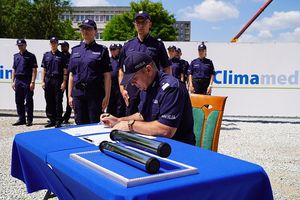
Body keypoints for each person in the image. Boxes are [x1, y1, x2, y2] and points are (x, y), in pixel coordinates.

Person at [101, 52, 195, 145]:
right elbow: (143, 115)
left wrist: (130, 125)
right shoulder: (146, 86)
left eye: (134, 79)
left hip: (177, 148)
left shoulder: (171, 88)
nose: (132, 84)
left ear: (148, 70)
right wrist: (118, 120)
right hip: (154, 144)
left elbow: (166, 130)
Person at [118, 11, 171, 116]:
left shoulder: (158, 45)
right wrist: (122, 89)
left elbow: (167, 68)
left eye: (144, 22)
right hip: (132, 91)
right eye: (138, 23)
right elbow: (121, 69)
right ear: (134, 24)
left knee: (150, 119)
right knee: (130, 121)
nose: (141, 25)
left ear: (150, 24)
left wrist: (164, 88)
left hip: (151, 90)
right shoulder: (127, 45)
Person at [68, 19, 111, 125]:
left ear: (95, 31)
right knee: (79, 125)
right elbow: (71, 75)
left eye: (88, 28)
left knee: (95, 124)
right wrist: (69, 95)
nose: (85, 31)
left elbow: (107, 75)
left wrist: (107, 96)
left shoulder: (102, 50)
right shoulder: (75, 50)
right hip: (78, 94)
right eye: (83, 29)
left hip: (95, 94)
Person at [41, 37, 68, 128]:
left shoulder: (62, 56)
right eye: (52, 42)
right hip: (48, 80)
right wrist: (42, 81)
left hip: (58, 80)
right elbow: (44, 69)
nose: (53, 44)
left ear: (57, 44)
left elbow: (65, 70)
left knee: (58, 101)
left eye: (55, 42)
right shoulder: (46, 55)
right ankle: (51, 119)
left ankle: (58, 120)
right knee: (49, 100)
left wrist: (64, 82)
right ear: (50, 44)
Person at [11, 39, 37, 126]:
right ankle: (21, 119)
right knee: (18, 100)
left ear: (25, 45)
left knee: (29, 100)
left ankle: (29, 119)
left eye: (21, 45)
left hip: (27, 80)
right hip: (18, 80)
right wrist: (13, 81)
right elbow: (14, 69)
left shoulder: (31, 56)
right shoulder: (16, 56)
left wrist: (32, 82)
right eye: (18, 45)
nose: (20, 47)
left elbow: (34, 70)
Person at [107, 43, 126, 117]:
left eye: (114, 49)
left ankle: (119, 118)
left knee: (120, 104)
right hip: (111, 86)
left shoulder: (121, 60)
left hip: (119, 85)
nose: (112, 51)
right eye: (111, 49)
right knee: (110, 104)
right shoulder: (108, 60)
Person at [59, 41, 72, 123]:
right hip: (59, 79)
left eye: (64, 46)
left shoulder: (71, 56)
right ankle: (58, 116)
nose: (62, 48)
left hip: (69, 80)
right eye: (61, 46)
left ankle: (66, 117)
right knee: (58, 99)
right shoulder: (58, 56)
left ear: (67, 47)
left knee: (68, 99)